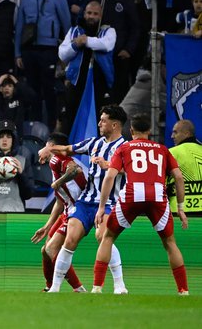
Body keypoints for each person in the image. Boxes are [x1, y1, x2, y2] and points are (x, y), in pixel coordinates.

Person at [92, 113, 189, 295]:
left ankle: (97, 288)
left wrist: (101, 207)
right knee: (169, 242)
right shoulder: (162, 149)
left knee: (108, 237)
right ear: (150, 131)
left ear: (131, 130)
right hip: (157, 196)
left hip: (132, 195)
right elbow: (178, 177)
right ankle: (183, 291)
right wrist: (181, 208)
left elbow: (110, 176)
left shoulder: (124, 148)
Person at [37, 104, 129, 294]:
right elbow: (67, 150)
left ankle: (119, 286)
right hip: (86, 201)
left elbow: (131, 171)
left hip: (110, 202)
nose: (99, 123)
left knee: (102, 237)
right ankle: (55, 288)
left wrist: (109, 166)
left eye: (103, 120)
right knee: (70, 240)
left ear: (114, 125)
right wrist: (50, 149)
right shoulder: (94, 143)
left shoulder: (125, 148)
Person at [15, 0, 71, 129]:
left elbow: (67, 25)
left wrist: (68, 53)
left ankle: (53, 125)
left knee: (49, 88)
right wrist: (17, 53)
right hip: (29, 49)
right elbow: (19, 27)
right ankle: (36, 125)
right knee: (32, 90)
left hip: (49, 48)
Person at [30, 132, 86, 292]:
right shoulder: (53, 163)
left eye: (45, 146)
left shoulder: (57, 159)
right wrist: (47, 226)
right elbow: (60, 201)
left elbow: (76, 170)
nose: (41, 150)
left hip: (78, 210)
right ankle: (49, 287)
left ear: (52, 147)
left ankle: (78, 289)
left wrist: (58, 182)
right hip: (68, 210)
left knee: (51, 249)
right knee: (45, 251)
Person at [58, 1, 116, 135]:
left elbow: (107, 45)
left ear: (101, 15)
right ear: (84, 14)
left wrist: (86, 41)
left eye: (95, 14)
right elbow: (62, 54)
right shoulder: (74, 31)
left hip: (100, 83)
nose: (91, 16)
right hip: (77, 81)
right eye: (89, 13)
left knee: (101, 118)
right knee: (70, 116)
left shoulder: (108, 31)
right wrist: (75, 45)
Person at [93, 0, 140, 103]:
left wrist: (128, 49)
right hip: (99, 56)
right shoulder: (96, 0)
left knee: (118, 93)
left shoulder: (125, 0)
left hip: (119, 55)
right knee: (99, 93)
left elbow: (135, 27)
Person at [169, 119, 202, 214]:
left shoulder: (171, 153)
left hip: (178, 210)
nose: (172, 136)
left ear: (187, 133)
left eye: (175, 132)